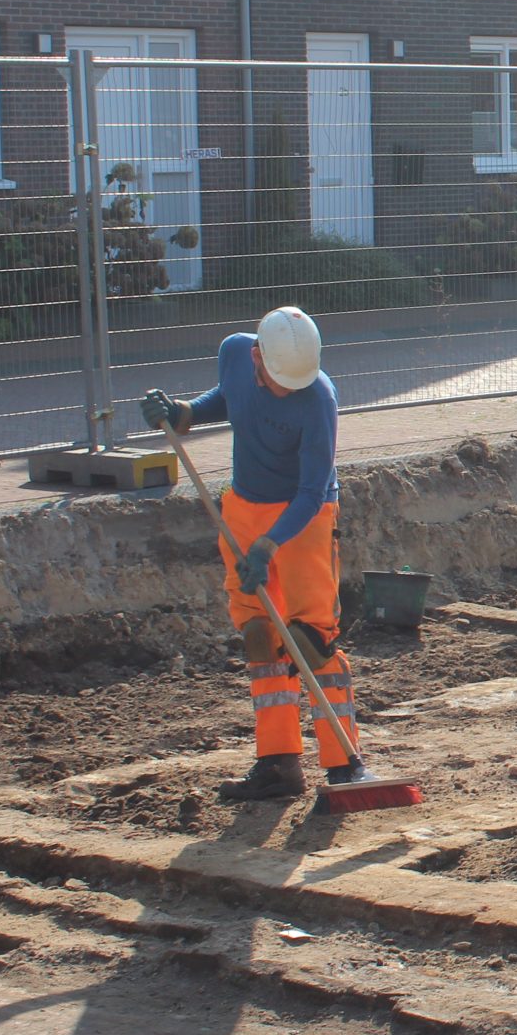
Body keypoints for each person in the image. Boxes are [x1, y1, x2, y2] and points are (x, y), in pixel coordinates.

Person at [141, 306, 365, 803]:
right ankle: (279, 764)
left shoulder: (318, 399)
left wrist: (269, 546)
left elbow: (310, 492)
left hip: (303, 518)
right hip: (243, 510)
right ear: (258, 356)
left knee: (311, 640)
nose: (288, 390)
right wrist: (184, 413)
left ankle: (343, 763)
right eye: (278, 380)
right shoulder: (235, 354)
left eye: (296, 383)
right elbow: (231, 398)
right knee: (261, 636)